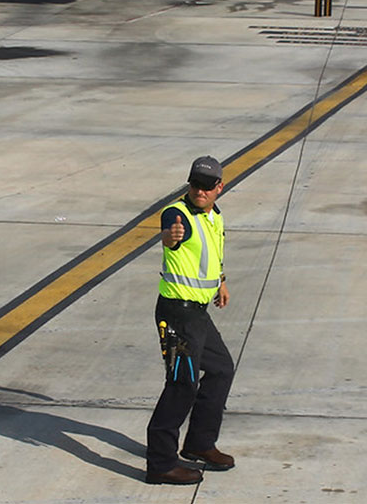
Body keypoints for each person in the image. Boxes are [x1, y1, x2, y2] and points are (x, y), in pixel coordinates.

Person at [145, 155, 235, 485]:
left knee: (222, 369)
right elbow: (171, 234)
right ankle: (160, 463)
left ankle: (199, 443)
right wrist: (170, 237)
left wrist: (221, 280)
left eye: (207, 186)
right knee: (182, 384)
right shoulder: (176, 214)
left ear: (219, 188)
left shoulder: (215, 216)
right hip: (176, 313)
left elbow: (213, 250)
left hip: (197, 313)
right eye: (195, 184)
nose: (200, 191)